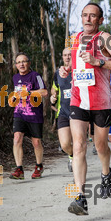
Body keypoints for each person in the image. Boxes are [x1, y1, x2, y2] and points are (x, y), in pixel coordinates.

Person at [60, 2, 111, 215]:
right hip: (78, 101)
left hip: (101, 102)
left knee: (101, 147)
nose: (88, 19)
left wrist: (99, 61)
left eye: (93, 16)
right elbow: (76, 67)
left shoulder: (105, 38)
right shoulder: (74, 40)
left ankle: (106, 173)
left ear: (100, 20)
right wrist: (66, 70)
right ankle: (81, 198)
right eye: (84, 15)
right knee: (78, 145)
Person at [10, 52, 48, 180]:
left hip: (34, 114)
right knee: (17, 138)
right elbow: (16, 94)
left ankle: (38, 166)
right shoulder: (15, 78)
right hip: (19, 113)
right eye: (19, 62)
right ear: (16, 65)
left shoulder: (35, 76)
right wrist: (13, 98)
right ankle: (19, 169)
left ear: (29, 63)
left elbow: (44, 92)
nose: (21, 64)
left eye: (24, 61)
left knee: (36, 143)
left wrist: (29, 92)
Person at [50, 48, 73, 171]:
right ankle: (72, 155)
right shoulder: (58, 73)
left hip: (78, 111)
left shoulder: (78, 71)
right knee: (64, 144)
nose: (67, 57)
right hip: (63, 112)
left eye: (69, 54)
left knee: (79, 143)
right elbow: (54, 89)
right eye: (65, 55)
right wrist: (53, 96)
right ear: (62, 57)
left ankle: (78, 164)